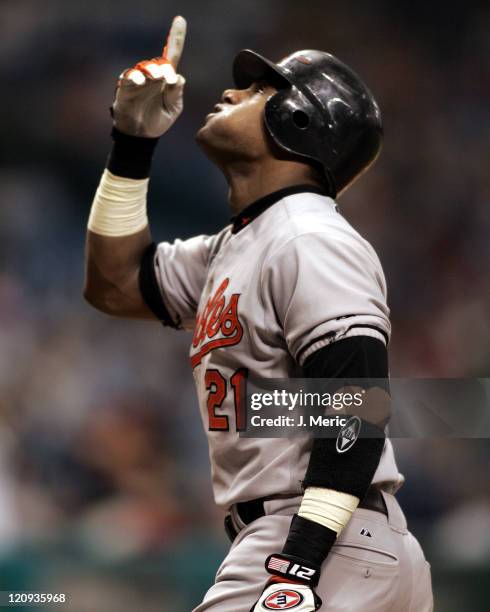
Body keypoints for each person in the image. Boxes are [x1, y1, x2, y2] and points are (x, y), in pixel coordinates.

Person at [84, 15, 433, 612]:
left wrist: (299, 560)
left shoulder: (309, 238)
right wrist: (132, 143)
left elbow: (358, 409)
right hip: (332, 542)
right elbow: (114, 284)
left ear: (296, 120)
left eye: (258, 90)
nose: (230, 92)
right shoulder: (239, 245)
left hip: (320, 537)